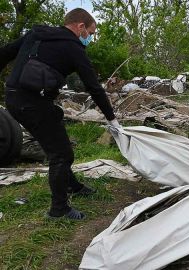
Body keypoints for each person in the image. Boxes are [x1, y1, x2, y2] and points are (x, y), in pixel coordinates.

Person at [0, 8, 121, 220]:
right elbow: (94, 87)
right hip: (31, 103)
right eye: (90, 33)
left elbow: (5, 53)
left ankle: (71, 185)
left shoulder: (37, 33)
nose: (90, 38)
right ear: (80, 26)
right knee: (62, 154)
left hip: (14, 98)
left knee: (55, 130)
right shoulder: (73, 47)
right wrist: (112, 118)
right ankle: (59, 210)